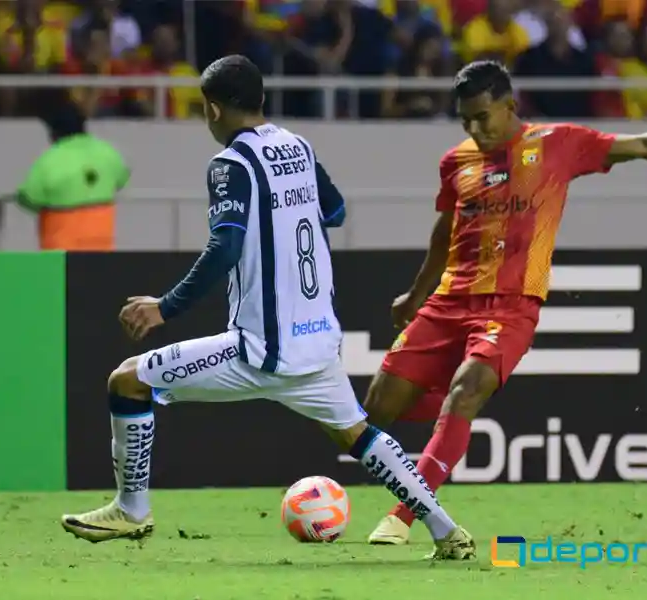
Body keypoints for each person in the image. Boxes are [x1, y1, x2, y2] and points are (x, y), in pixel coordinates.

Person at [59, 54, 475, 561]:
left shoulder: (230, 165)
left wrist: (164, 307)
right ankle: (446, 530)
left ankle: (132, 510)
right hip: (317, 340)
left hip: (257, 348)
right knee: (359, 433)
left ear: (212, 110)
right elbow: (336, 211)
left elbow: (225, 247)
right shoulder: (296, 147)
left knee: (127, 380)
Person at [364, 59, 647, 546]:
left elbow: (645, 145)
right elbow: (444, 232)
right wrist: (416, 294)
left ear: (509, 106)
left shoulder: (557, 144)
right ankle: (439, 423)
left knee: (466, 391)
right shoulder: (456, 162)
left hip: (511, 306)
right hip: (448, 300)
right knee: (375, 413)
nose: (474, 129)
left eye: (483, 117)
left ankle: (404, 516)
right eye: (465, 121)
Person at [11, 88, 128, 251]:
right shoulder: (107, 152)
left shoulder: (49, 160)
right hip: (102, 248)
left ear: (53, 132)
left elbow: (29, 196)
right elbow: (121, 179)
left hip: (62, 250)